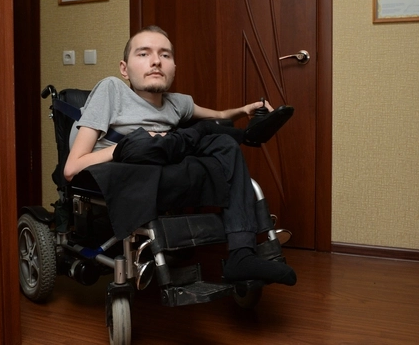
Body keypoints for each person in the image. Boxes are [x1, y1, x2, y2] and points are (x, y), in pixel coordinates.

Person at [64, 25, 296, 286]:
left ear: (174, 67)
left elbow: (220, 115)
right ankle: (247, 136)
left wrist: (244, 110)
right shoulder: (112, 90)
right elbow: (72, 168)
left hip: (161, 163)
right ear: (124, 69)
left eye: (165, 55)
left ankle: (242, 255)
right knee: (197, 133)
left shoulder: (178, 103)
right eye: (143, 54)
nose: (156, 61)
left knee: (223, 144)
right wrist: (124, 146)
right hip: (124, 165)